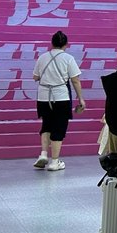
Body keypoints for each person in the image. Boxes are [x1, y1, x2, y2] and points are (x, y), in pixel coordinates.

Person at [30, 31, 85, 172]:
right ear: (66, 44)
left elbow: (35, 77)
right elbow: (75, 80)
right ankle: (55, 162)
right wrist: (81, 99)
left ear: (52, 43)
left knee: (46, 125)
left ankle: (43, 154)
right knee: (59, 127)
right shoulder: (68, 58)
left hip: (43, 97)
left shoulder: (42, 57)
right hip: (61, 97)